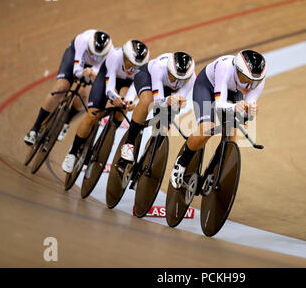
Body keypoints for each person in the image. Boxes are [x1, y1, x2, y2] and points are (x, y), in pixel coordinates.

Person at [170, 49, 267, 188]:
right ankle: (182, 162)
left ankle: (213, 171)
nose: (249, 87)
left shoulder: (258, 80)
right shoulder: (225, 67)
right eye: (246, 80)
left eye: (254, 83)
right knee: (207, 129)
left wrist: (249, 112)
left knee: (231, 138)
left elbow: (245, 115)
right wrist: (235, 108)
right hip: (207, 87)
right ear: (237, 71)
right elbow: (220, 104)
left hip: (233, 92)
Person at [61, 40, 150, 173]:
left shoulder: (143, 67)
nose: (133, 68)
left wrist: (129, 101)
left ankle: (111, 131)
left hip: (126, 83)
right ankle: (72, 153)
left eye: (137, 65)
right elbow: (109, 87)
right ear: (125, 57)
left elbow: (134, 87)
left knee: (124, 105)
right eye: (131, 63)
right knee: (93, 114)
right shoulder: (115, 56)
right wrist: (115, 98)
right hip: (106, 77)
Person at [24, 29, 113, 145]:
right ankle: (35, 128)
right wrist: (84, 73)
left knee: (86, 96)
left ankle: (66, 121)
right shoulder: (83, 41)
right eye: (92, 52)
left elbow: (97, 74)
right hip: (74, 57)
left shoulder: (110, 55)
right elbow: (76, 71)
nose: (94, 56)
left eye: (98, 55)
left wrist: (90, 74)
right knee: (60, 88)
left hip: (92, 69)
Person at [119, 51, 196, 163]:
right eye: (173, 77)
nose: (176, 82)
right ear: (168, 70)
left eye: (181, 80)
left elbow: (177, 103)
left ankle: (146, 158)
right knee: (147, 100)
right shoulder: (159, 67)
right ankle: (129, 143)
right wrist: (169, 101)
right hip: (148, 77)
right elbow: (158, 101)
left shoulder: (191, 78)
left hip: (166, 91)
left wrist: (178, 104)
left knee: (163, 127)